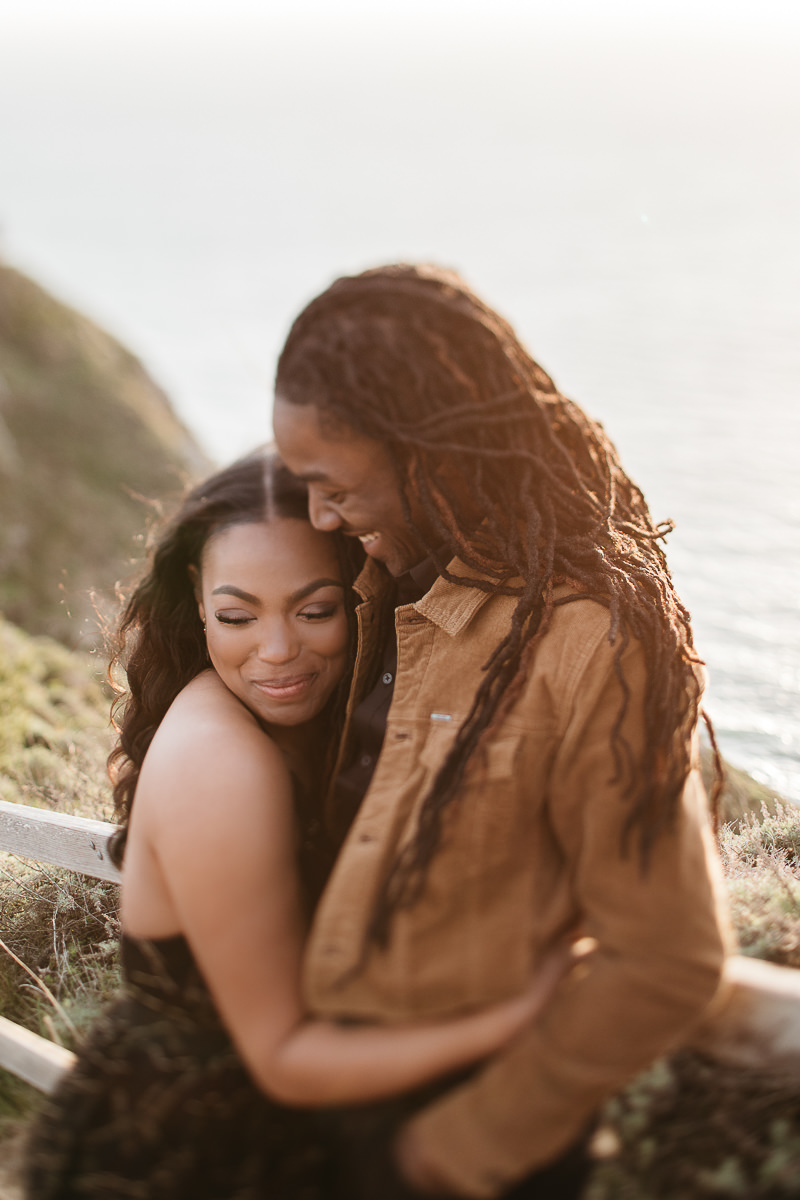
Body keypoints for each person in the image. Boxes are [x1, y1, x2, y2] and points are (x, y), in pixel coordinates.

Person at [272, 264, 733, 1200]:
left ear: (429, 451)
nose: (318, 514)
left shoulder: (584, 645)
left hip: (461, 1155)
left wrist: (459, 1146)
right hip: (314, 1116)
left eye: (332, 485)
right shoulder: (369, 586)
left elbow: (669, 956)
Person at [23, 449, 571, 1200]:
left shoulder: (333, 728)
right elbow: (282, 1055)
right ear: (197, 596)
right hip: (168, 1157)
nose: (277, 652)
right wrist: (520, 1013)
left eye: (316, 610)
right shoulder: (224, 761)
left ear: (362, 593)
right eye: (236, 616)